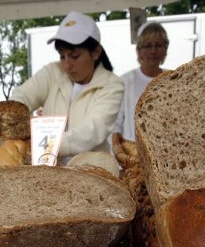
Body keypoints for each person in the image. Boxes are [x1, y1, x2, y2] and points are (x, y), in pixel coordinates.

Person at [10, 11, 124, 165]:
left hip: (93, 174)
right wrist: (15, 124)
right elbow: (20, 99)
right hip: (49, 170)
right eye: (62, 56)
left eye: (74, 56)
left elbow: (94, 129)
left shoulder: (112, 84)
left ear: (96, 52)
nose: (67, 65)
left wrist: (43, 143)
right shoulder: (52, 72)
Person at [112, 21, 169, 143]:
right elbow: (115, 124)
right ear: (139, 51)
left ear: (165, 49)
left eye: (158, 45)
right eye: (148, 46)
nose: (153, 51)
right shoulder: (125, 82)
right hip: (134, 153)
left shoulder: (172, 79)